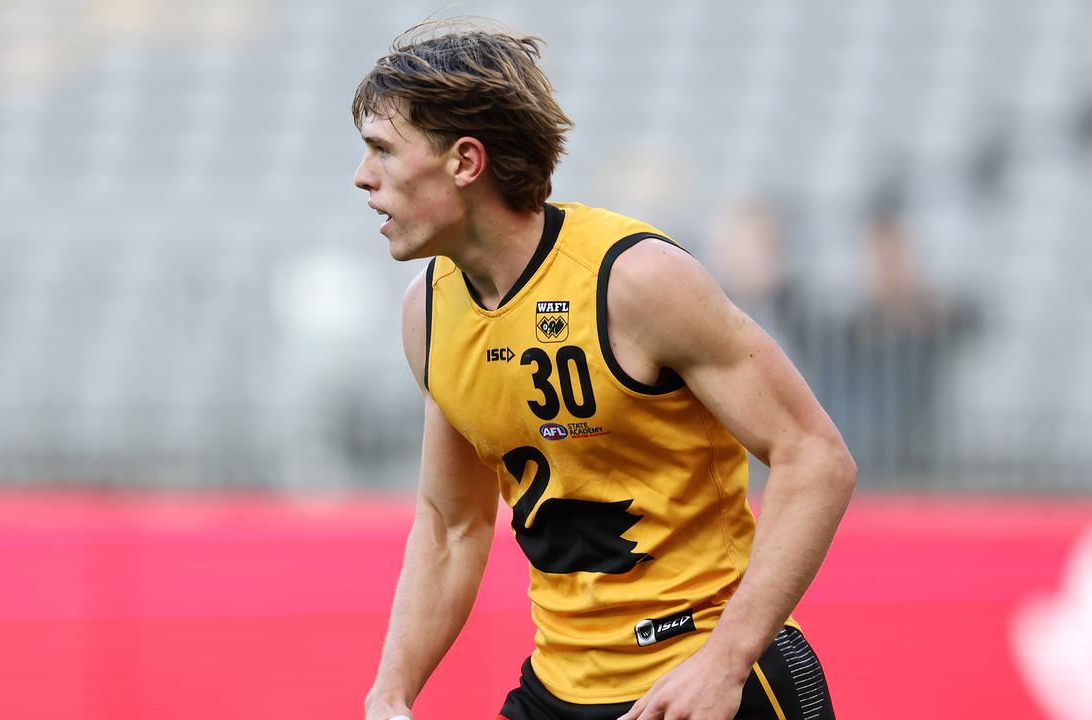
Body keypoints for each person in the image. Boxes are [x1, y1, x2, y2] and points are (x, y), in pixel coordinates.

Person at [352, 21, 856, 720]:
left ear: (466, 162)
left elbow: (816, 457)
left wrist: (724, 664)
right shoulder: (429, 314)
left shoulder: (635, 281)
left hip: (709, 681)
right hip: (559, 692)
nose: (362, 176)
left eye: (381, 150)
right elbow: (450, 524)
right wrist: (391, 693)